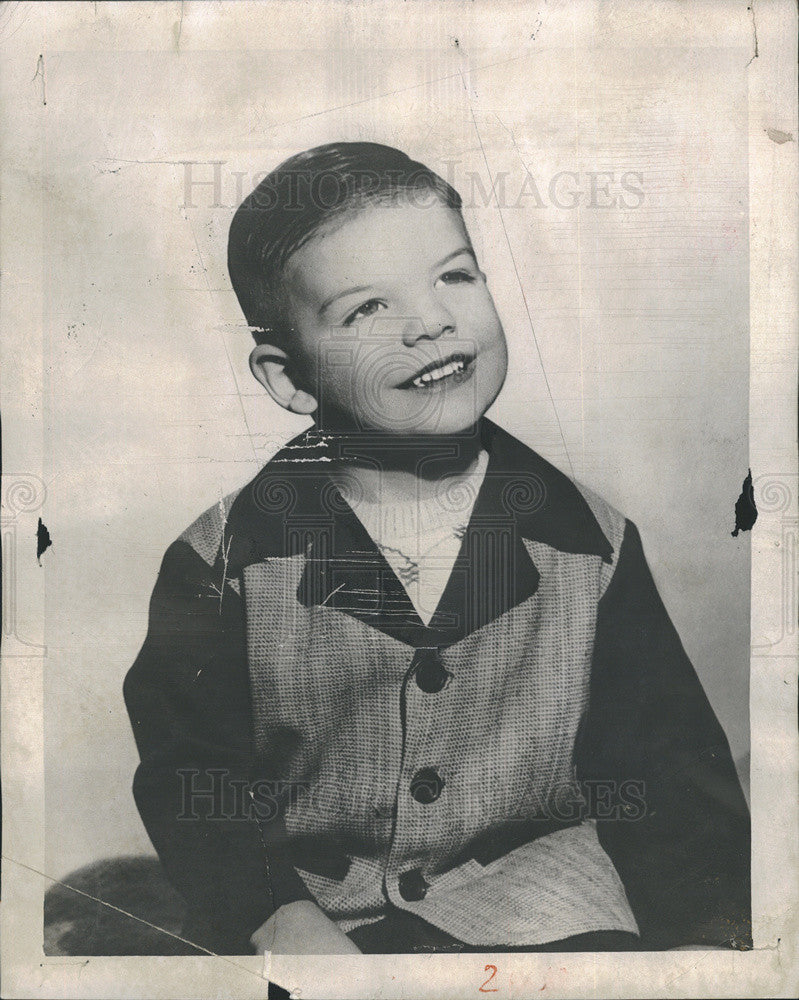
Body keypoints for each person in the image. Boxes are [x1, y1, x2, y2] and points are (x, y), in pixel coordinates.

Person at [124, 142, 751, 956]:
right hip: (308, 918)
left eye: (454, 276)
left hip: (541, 911)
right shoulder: (225, 565)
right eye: (366, 309)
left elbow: (671, 779)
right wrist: (272, 911)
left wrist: (707, 944)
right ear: (288, 377)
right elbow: (188, 778)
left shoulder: (586, 546)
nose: (430, 321)